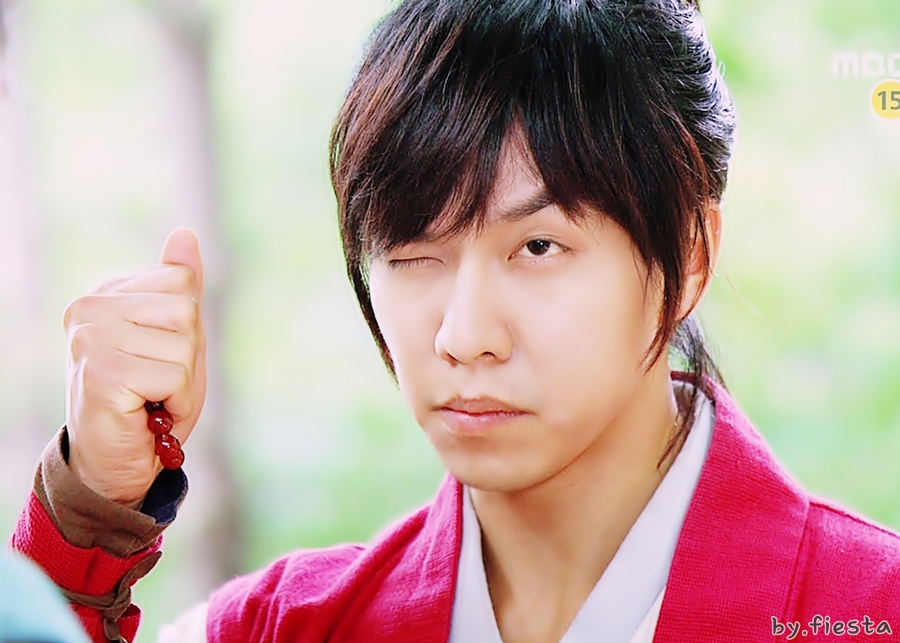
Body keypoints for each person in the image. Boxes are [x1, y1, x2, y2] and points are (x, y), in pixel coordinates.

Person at [9, 0, 900, 641]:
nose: (463, 335)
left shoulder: (868, 610)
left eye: (538, 246)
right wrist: (93, 505)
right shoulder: (283, 625)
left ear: (690, 255)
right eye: (411, 252)